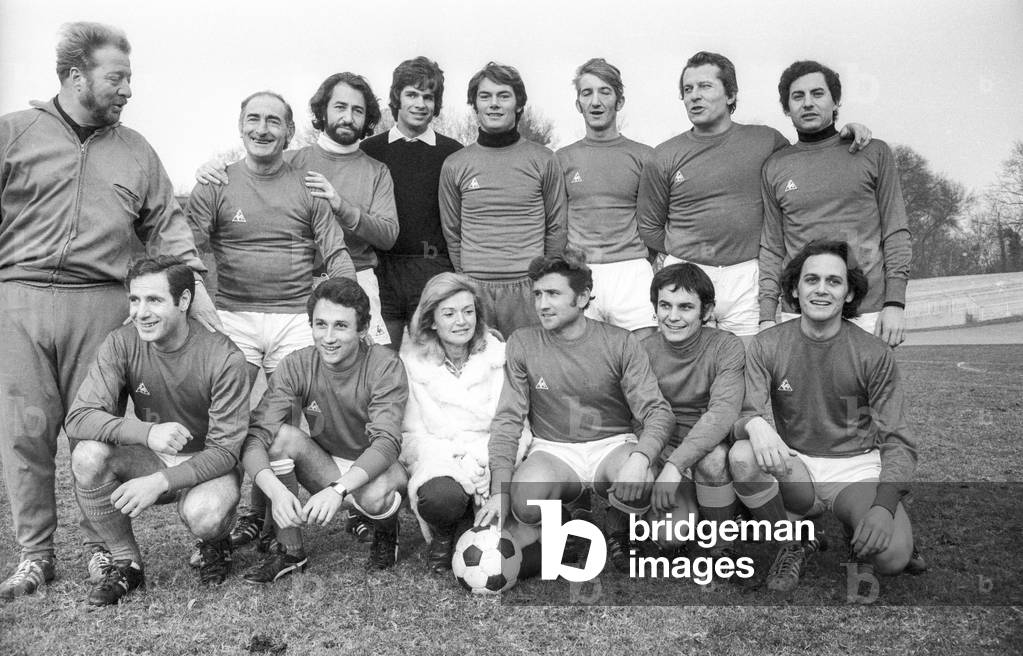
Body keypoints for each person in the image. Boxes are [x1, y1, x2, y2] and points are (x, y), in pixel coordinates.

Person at [0, 21, 219, 600]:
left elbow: (167, 226)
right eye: (116, 77)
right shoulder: (14, 133)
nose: (127, 89)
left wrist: (192, 277)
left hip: (99, 303)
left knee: (94, 432)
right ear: (77, 76)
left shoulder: (137, 150)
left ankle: (104, 550)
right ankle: (34, 556)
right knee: (24, 432)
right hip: (17, 298)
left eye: (130, 77)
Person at [729, 240, 922, 594]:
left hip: (855, 468)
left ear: (849, 294)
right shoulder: (767, 344)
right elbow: (741, 414)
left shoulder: (872, 352)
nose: (821, 289)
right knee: (742, 456)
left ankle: (858, 521)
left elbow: (899, 440)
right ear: (794, 288)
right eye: (811, 279)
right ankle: (795, 540)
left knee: (892, 558)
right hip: (795, 464)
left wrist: (884, 505)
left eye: (833, 281)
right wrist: (754, 423)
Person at [637, 51, 870, 339]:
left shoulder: (766, 141)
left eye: (705, 86)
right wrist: (689, 249)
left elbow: (808, 157)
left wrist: (843, 134)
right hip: (686, 275)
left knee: (750, 370)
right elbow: (649, 226)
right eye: (688, 89)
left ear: (731, 95)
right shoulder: (664, 155)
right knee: (684, 372)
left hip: (747, 277)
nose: (694, 96)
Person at [65, 257, 249, 606]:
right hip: (154, 453)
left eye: (154, 300)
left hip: (209, 460)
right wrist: (145, 432)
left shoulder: (224, 356)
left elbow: (226, 450)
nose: (140, 312)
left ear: (183, 302)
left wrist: (160, 482)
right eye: (135, 300)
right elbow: (78, 418)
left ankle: (216, 542)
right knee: (87, 455)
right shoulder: (122, 342)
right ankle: (127, 563)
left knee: (205, 515)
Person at [476, 249, 674, 569]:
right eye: (538, 294)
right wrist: (500, 489)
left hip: (611, 444)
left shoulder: (620, 342)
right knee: (525, 502)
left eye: (553, 294)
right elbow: (508, 419)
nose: (542, 304)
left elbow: (657, 411)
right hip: (555, 450)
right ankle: (563, 526)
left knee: (640, 479)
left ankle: (618, 525)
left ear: (582, 298)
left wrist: (642, 456)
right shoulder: (523, 342)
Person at [196, 72, 399, 346]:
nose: (348, 117)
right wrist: (210, 170)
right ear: (323, 111)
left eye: (357, 110)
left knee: (364, 368)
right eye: (340, 107)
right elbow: (252, 175)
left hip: (356, 278)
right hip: (301, 288)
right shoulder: (292, 160)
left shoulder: (377, 171)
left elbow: (387, 235)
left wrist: (341, 206)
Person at [239, 278, 408, 581]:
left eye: (341, 326)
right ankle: (290, 550)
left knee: (374, 495)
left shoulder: (385, 364)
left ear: (363, 329)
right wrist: (275, 491)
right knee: (280, 438)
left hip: (381, 468)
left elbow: (386, 443)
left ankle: (386, 530)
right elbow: (256, 436)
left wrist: (338, 490)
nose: (328, 337)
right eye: (320, 324)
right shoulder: (296, 365)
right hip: (329, 464)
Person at [187, 90, 355, 387]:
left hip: (295, 317)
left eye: (273, 122)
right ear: (241, 127)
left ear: (289, 132)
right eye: (254, 119)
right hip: (231, 315)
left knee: (285, 419)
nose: (262, 129)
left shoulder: (309, 187)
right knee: (226, 411)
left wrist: (350, 304)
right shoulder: (214, 184)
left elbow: (336, 253)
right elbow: (186, 249)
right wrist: (195, 292)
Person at [758, 60, 912, 347]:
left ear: (835, 100)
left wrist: (895, 303)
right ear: (786, 107)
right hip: (800, 312)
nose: (807, 103)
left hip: (868, 310)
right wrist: (768, 314)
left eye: (817, 94)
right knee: (800, 394)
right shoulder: (775, 166)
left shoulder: (872, 152)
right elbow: (771, 246)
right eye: (797, 96)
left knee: (868, 394)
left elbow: (896, 231)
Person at [399, 273, 530, 572]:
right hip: (444, 456)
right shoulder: (412, 364)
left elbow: (515, 423)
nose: (462, 321)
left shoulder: (500, 356)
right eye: (449, 313)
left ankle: (477, 519)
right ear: (431, 320)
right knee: (439, 497)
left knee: (518, 523)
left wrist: (488, 463)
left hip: (495, 455)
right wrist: (463, 463)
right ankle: (446, 531)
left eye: (468, 311)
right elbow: (414, 434)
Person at [439, 62, 567, 338]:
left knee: (531, 372)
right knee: (480, 373)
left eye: (503, 95)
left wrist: (543, 278)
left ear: (519, 104)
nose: (494, 104)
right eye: (485, 96)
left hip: (528, 287)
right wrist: (470, 276)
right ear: (475, 104)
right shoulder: (455, 164)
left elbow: (556, 226)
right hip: (475, 288)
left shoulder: (544, 160)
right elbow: (452, 231)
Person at [641, 263, 745, 560]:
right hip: (663, 449)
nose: (673, 317)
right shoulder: (642, 348)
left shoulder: (726, 346)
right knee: (670, 539)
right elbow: (637, 416)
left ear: (707, 310)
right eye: (665, 305)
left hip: (704, 450)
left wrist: (677, 464)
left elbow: (722, 413)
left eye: (685, 307)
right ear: (655, 308)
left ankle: (721, 541)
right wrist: (661, 463)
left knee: (713, 460)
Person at [361, 57, 464, 350]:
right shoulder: (370, 151)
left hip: (432, 269)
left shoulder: (453, 154)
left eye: (428, 97)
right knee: (379, 361)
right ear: (397, 98)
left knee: (431, 363)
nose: (420, 104)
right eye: (412, 94)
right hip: (382, 271)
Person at [556, 58, 657, 338]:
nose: (596, 101)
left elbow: (651, 220)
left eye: (605, 92)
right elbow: (558, 223)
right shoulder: (562, 159)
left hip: (632, 271)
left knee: (642, 359)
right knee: (584, 364)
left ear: (619, 101)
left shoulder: (645, 156)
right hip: (581, 270)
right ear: (578, 104)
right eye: (587, 93)